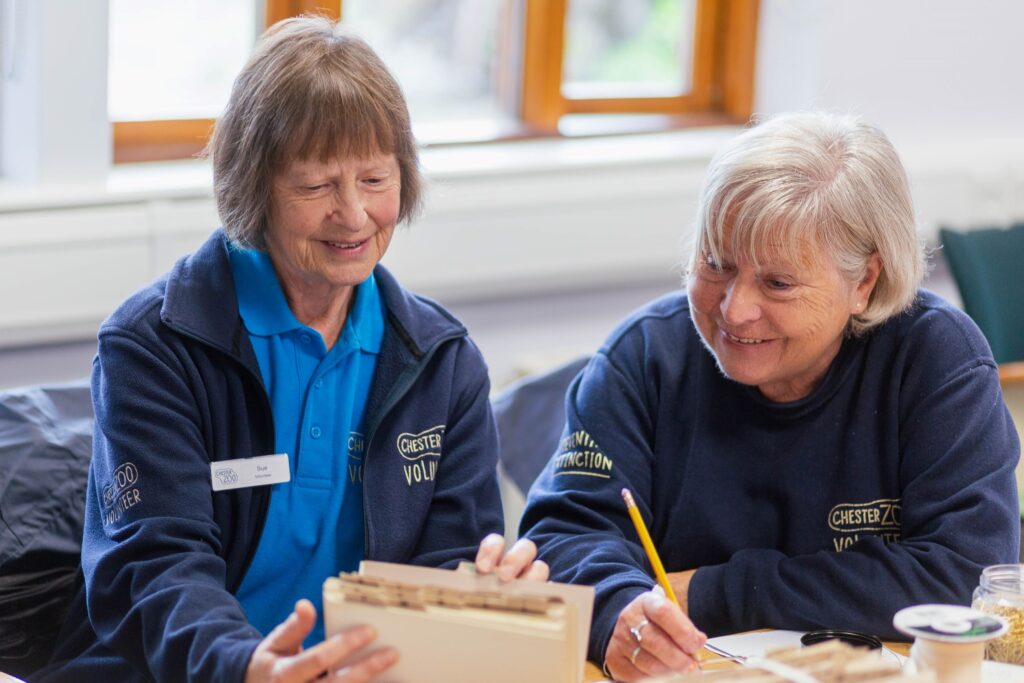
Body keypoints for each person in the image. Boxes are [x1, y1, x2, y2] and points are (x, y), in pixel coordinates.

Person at [36, 16, 544, 683]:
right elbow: (154, 569)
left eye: (374, 180)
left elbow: (448, 562)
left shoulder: (440, 361)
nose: (354, 215)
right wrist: (246, 664)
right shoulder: (156, 346)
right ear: (254, 185)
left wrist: (482, 590)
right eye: (316, 186)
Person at [520, 111, 1021, 681]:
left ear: (864, 283)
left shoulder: (936, 358)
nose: (733, 309)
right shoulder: (646, 356)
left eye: (778, 283)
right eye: (715, 263)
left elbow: (967, 576)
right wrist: (620, 608)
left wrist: (717, 591)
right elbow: (561, 536)